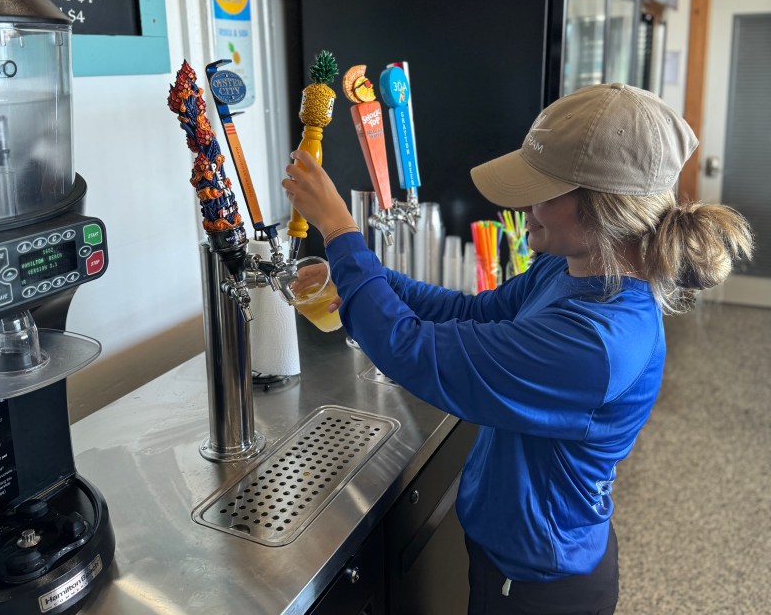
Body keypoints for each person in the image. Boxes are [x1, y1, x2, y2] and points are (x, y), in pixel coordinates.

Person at [282, 82, 754, 615]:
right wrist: (365, 279)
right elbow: (471, 312)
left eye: (543, 190)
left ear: (603, 209)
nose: (525, 205)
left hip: (539, 585)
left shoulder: (597, 342)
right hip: (510, 553)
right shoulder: (570, 265)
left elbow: (410, 348)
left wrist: (340, 230)